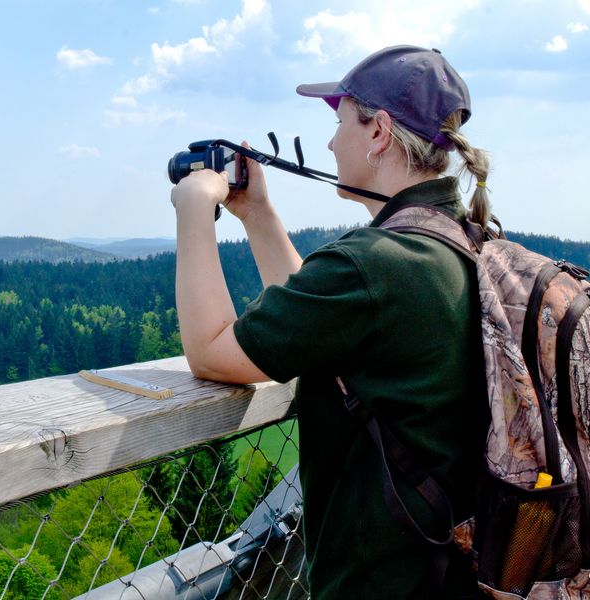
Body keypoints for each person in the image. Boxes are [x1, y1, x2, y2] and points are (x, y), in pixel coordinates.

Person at [170, 45, 491, 598]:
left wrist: (194, 208)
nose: (329, 143)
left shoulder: (376, 263)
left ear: (379, 132)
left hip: (384, 582)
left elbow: (211, 351)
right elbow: (321, 317)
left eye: (340, 123)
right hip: (454, 569)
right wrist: (257, 214)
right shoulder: (456, 242)